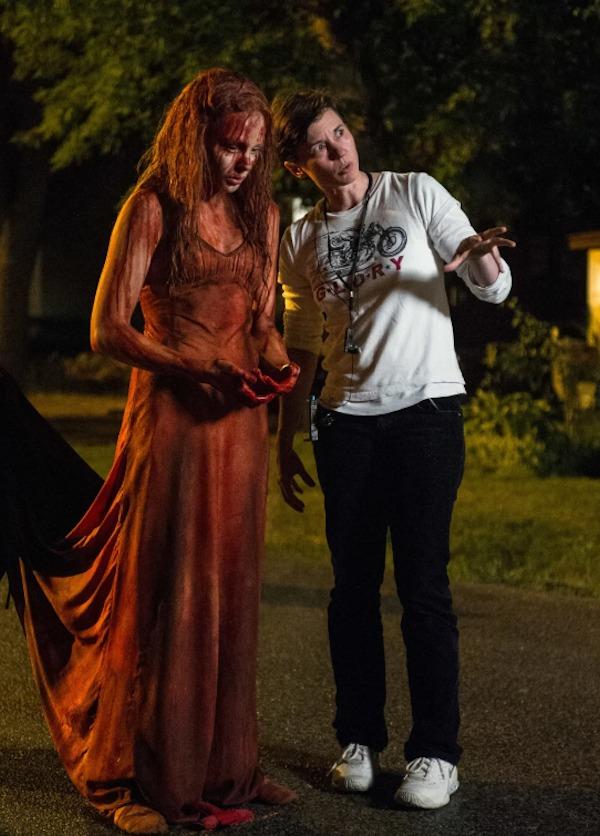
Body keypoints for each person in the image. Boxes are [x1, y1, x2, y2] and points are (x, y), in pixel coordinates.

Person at [6, 68, 299, 833]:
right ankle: (126, 774)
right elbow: (106, 328)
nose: (241, 162)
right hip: (171, 421)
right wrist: (193, 365)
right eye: (229, 145)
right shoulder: (151, 207)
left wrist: (277, 360)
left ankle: (228, 767)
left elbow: (262, 322)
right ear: (195, 137)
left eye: (253, 149)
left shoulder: (264, 215)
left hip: (239, 426)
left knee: (231, 591)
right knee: (165, 591)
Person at [273, 90, 514, 810]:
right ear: (298, 166)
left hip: (425, 416)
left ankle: (436, 754)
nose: (338, 151)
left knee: (423, 587)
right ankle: (358, 740)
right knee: (351, 588)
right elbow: (302, 340)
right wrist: (286, 432)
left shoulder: (415, 192)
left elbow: (490, 287)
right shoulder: (300, 241)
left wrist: (479, 262)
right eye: (319, 147)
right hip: (344, 423)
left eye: (340, 133)